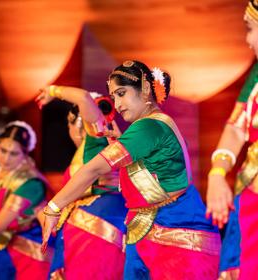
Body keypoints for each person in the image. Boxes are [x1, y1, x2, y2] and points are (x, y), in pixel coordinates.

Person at [41, 60, 221, 279]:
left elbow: (94, 170)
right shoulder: (149, 126)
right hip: (146, 230)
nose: (117, 104)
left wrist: (53, 208)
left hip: (178, 236)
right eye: (114, 96)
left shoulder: (149, 126)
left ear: (145, 89)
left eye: (121, 93)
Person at [36, 87, 127, 279]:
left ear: (76, 123)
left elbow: (84, 98)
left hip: (98, 221)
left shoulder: (98, 136)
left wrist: (53, 91)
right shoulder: (91, 148)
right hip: (88, 220)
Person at [206, 1, 258, 279]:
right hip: (250, 203)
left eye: (250, 29)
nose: (248, 41)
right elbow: (237, 128)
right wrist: (217, 173)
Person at [0, 121, 53, 280]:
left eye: (14, 154)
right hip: (4, 241)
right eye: (2, 150)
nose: (5, 158)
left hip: (30, 248)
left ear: (25, 154)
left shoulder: (30, 184)